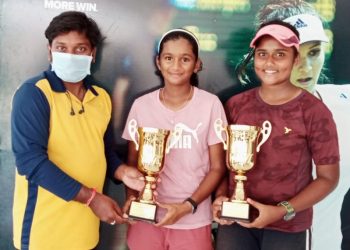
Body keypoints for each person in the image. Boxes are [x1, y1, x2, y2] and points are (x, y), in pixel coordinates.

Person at [11, 11, 144, 250]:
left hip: (85, 234)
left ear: (93, 54)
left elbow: (104, 151)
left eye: (80, 49)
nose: (69, 55)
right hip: (44, 235)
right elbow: (31, 162)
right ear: (49, 51)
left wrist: (123, 172)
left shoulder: (101, 97)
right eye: (61, 48)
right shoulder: (34, 93)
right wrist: (92, 199)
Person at [212, 20, 340, 250]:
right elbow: (222, 165)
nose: (269, 62)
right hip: (235, 224)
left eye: (280, 54)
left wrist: (281, 210)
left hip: (288, 227)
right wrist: (221, 197)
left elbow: (328, 178)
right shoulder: (236, 105)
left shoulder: (314, 111)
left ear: (295, 59)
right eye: (262, 54)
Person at [121, 28, 227, 250]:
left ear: (197, 64)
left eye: (185, 59)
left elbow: (218, 168)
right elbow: (132, 164)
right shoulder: (141, 106)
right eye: (169, 58)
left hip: (193, 219)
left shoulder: (211, 105)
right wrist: (132, 198)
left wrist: (188, 206)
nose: (176, 66)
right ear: (158, 62)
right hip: (146, 218)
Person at [256, 1, 350, 248]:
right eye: (294, 54)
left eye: (314, 52)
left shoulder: (345, 104)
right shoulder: (241, 117)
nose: (306, 67)